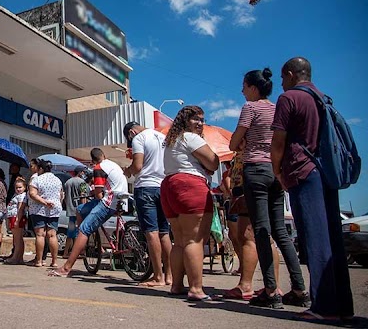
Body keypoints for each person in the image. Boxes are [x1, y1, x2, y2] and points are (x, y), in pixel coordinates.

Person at [271, 57, 353, 322]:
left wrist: (278, 171)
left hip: (303, 171)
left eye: (283, 78)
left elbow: (279, 141)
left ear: (291, 74)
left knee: (315, 240)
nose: (281, 84)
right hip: (326, 170)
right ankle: (342, 304)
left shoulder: (290, 98)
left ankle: (325, 306)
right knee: (332, 238)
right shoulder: (322, 98)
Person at [229, 68, 307, 308]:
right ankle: (299, 288)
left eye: (244, 86)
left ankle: (270, 290)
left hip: (255, 169)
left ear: (253, 87)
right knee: (280, 232)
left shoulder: (250, 108)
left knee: (261, 230)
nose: (242, 91)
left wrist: (243, 141)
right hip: (276, 170)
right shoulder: (278, 108)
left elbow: (234, 142)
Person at [160, 106, 219, 301]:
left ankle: (177, 285)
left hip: (169, 186)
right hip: (190, 185)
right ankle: (196, 288)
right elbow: (213, 162)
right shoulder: (191, 138)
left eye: (202, 119)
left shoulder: (171, 140)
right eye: (195, 119)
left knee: (180, 240)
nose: (200, 123)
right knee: (195, 240)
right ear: (185, 121)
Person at [48, 148, 128, 277]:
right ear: (104, 155)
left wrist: (94, 194)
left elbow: (98, 194)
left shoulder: (98, 168)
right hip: (121, 201)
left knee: (84, 230)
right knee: (80, 209)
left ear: (93, 161)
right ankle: (83, 244)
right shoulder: (113, 165)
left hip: (109, 202)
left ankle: (66, 268)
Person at [123, 121, 173, 287]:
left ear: (131, 132)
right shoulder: (163, 137)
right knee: (164, 232)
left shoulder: (139, 138)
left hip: (146, 187)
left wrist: (128, 171)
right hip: (163, 187)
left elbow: (138, 166)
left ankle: (158, 276)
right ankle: (169, 276)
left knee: (151, 232)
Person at [27, 159, 63, 267]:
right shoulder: (58, 180)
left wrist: (44, 202)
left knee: (40, 235)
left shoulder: (37, 179)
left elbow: (32, 194)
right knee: (52, 235)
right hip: (54, 209)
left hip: (39, 209)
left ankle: (39, 260)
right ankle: (54, 261)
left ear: (41, 169)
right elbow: (61, 195)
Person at [62, 166, 88, 259]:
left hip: (70, 210)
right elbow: (83, 196)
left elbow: (64, 196)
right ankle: (78, 253)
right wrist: (83, 209)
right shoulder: (82, 183)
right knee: (78, 232)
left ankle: (65, 252)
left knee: (70, 232)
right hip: (78, 211)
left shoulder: (67, 182)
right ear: (80, 172)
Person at [4, 177, 27, 264]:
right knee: (17, 238)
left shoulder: (22, 196)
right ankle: (19, 257)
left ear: (24, 187)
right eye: (16, 187)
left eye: (20, 187)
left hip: (16, 217)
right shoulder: (16, 195)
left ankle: (15, 257)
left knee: (17, 239)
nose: (18, 189)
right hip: (13, 216)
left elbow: (20, 209)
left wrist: (17, 220)